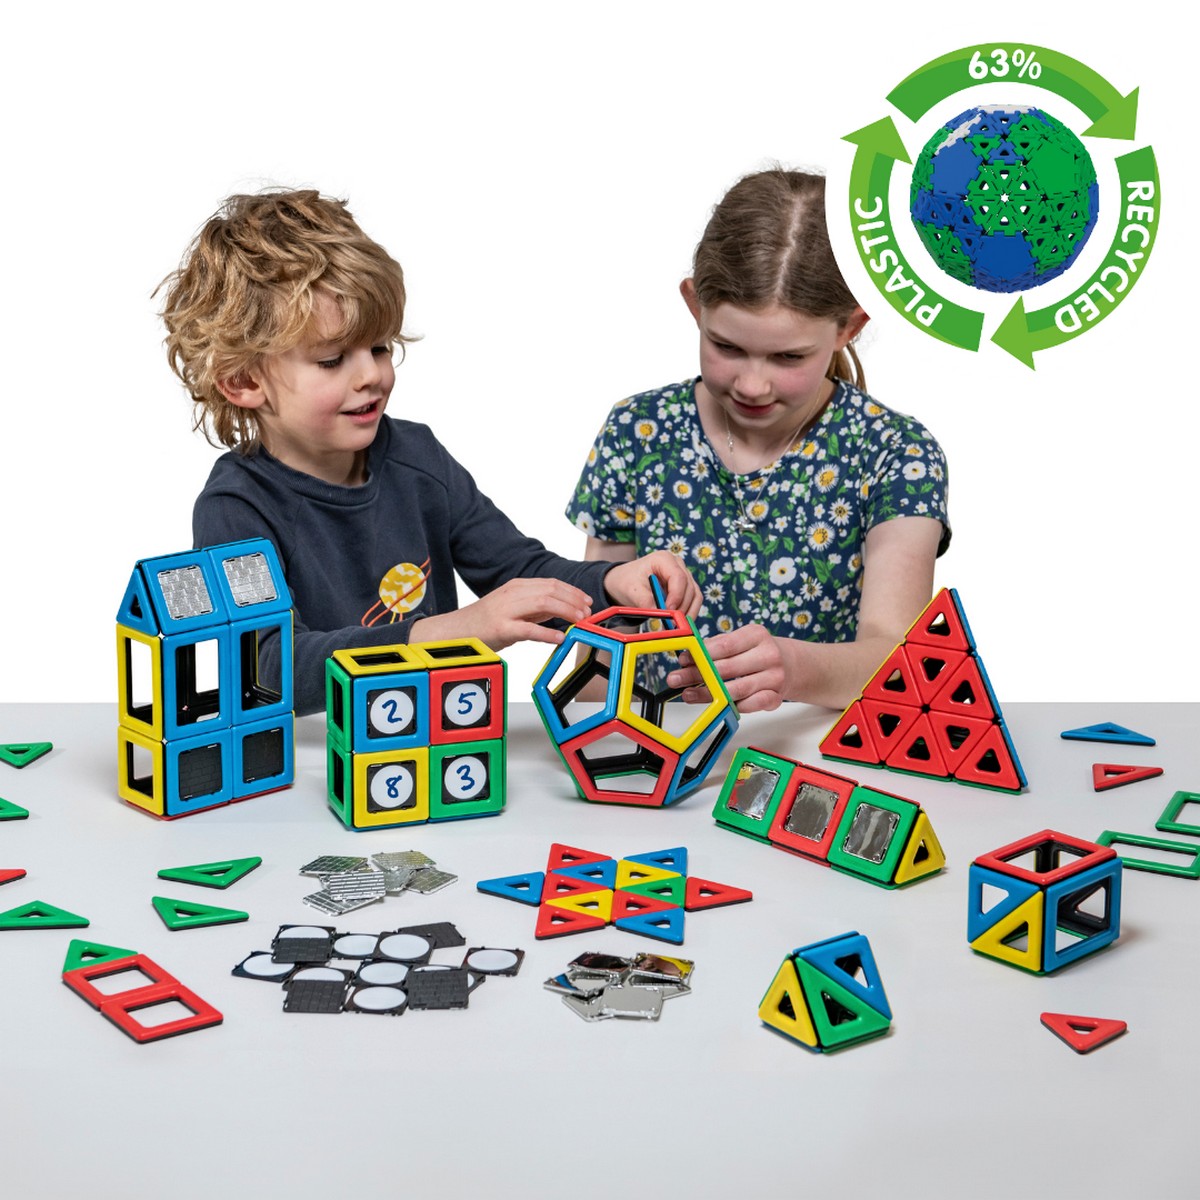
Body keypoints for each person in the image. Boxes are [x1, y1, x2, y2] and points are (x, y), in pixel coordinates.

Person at [159, 188, 699, 715]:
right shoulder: (235, 507)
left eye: (378, 347)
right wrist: (455, 630)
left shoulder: (416, 457)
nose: (371, 375)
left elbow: (521, 571)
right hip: (311, 759)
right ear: (243, 380)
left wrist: (612, 583)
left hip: (435, 742)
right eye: (331, 360)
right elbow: (267, 666)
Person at [567, 168, 949, 714]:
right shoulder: (637, 430)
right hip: (655, 747)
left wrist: (792, 668)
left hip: (812, 750)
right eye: (726, 346)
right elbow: (597, 652)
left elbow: (894, 655)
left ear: (850, 327)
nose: (751, 384)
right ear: (694, 305)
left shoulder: (897, 453)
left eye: (788, 357)